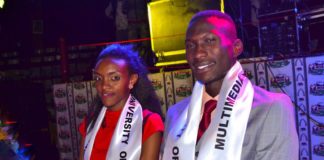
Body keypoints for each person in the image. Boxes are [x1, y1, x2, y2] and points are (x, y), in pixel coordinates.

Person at [160, 10, 298, 160]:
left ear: (236, 47)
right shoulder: (175, 114)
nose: (198, 54)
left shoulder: (272, 108)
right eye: (190, 45)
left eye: (210, 40)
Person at [79, 44, 164, 160]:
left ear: (131, 80)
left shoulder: (149, 123)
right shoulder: (90, 122)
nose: (104, 86)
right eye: (99, 78)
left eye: (114, 78)